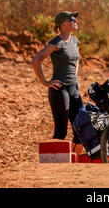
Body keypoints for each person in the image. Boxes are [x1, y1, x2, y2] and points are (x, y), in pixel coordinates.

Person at [32, 11, 83, 144]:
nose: (75, 21)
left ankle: (75, 163)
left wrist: (75, 78)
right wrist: (46, 82)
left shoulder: (75, 41)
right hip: (59, 89)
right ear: (63, 24)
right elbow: (36, 59)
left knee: (80, 128)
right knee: (61, 131)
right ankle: (54, 164)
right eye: (72, 19)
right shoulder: (56, 42)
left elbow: (76, 60)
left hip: (73, 87)